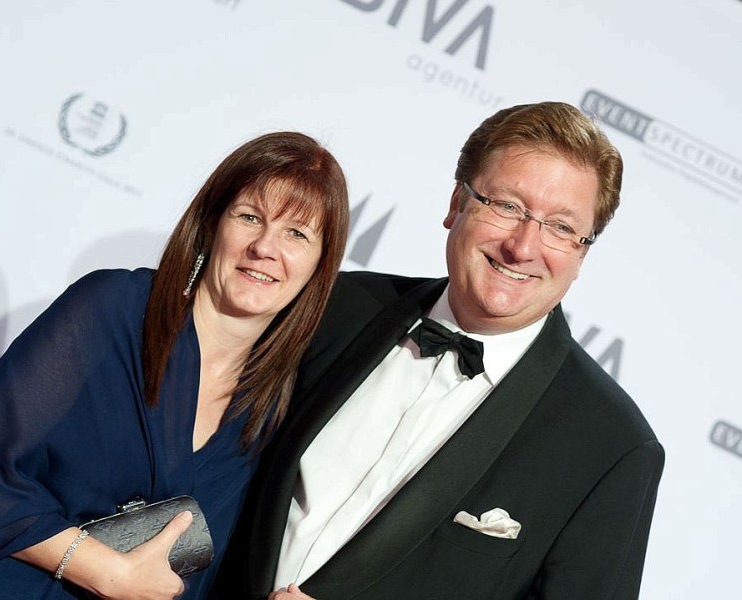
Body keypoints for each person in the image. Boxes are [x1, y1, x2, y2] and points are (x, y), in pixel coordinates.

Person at [220, 102, 665, 599]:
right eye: (507, 206)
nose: (522, 246)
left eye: (561, 227)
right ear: (457, 202)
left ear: (582, 252)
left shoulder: (610, 447)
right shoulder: (336, 307)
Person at [0, 131, 350, 600]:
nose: (265, 247)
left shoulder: (273, 405)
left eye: (297, 234)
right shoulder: (114, 309)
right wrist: (104, 571)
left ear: (320, 264)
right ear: (212, 223)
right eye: (250, 217)